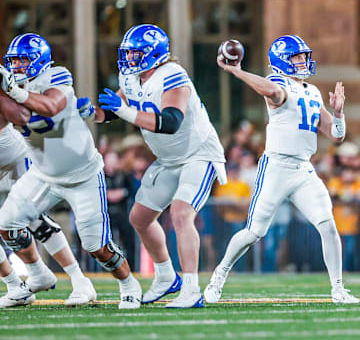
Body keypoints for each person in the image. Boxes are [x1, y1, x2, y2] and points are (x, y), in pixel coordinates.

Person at [204, 35, 359, 304]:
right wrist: (236, 71)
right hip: (276, 166)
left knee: (327, 225)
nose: (303, 61)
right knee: (254, 232)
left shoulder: (311, 91)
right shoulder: (278, 83)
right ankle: (220, 273)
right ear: (283, 61)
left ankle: (338, 288)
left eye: (303, 56)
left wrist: (339, 113)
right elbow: (272, 92)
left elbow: (335, 135)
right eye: (297, 57)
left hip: (303, 169)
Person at [80, 24, 227, 308]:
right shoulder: (132, 77)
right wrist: (92, 113)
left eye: (136, 53)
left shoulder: (172, 75)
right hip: (170, 159)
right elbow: (113, 111)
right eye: (128, 53)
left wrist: (123, 111)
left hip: (198, 154)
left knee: (182, 214)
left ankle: (191, 289)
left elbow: (170, 122)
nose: (130, 59)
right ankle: (165, 276)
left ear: (153, 53)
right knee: (140, 217)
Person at [0, 33, 141, 309]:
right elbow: (18, 117)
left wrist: (13, 92)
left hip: (82, 175)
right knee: (6, 224)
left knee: (97, 247)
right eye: (12, 62)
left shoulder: (56, 76)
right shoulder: (10, 89)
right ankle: (38, 275)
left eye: (21, 61)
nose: (16, 67)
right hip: (42, 175)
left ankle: (128, 283)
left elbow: (49, 106)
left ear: (38, 60)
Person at [0, 113, 97, 307]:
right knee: (28, 219)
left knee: (34, 217)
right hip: (12, 146)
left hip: (11, 147)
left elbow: (16, 111)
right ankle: (20, 283)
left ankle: (77, 279)